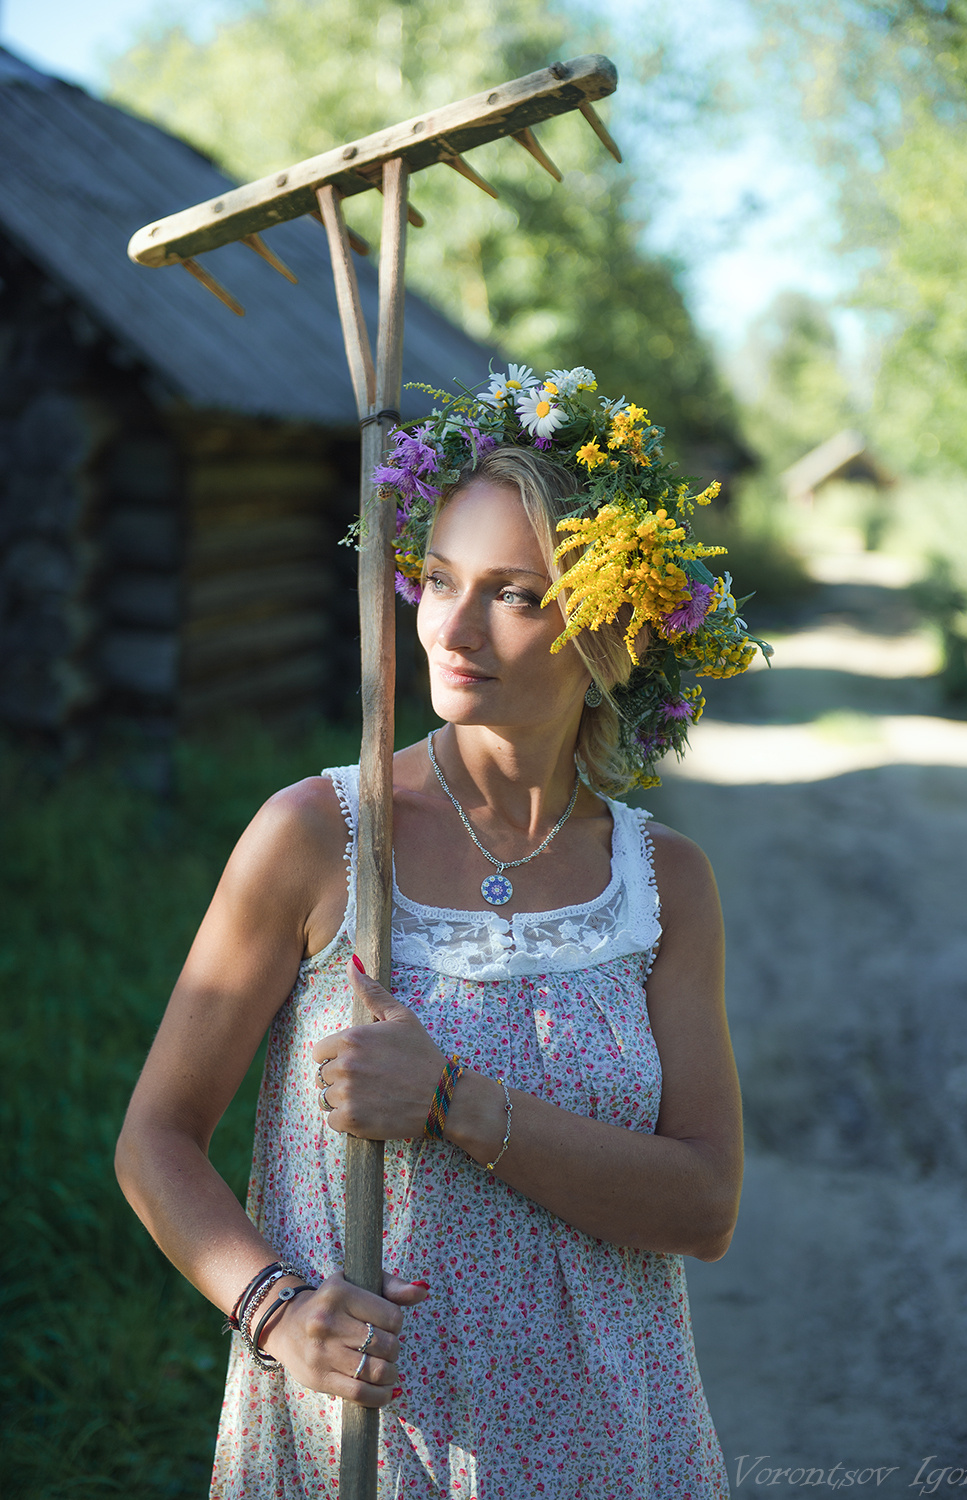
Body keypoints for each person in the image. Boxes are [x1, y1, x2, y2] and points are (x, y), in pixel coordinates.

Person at [116, 365, 765, 1499]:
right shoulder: (323, 837)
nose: (452, 628)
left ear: (609, 626)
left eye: (516, 594)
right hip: (369, 1447)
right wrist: (277, 1310)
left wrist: (454, 1101)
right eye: (439, 579)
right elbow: (156, 1139)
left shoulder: (664, 882)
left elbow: (705, 1206)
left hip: (615, 1442)